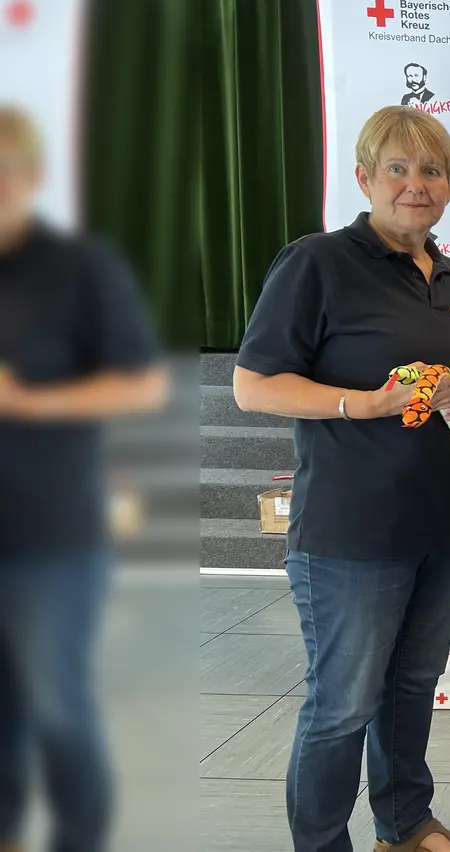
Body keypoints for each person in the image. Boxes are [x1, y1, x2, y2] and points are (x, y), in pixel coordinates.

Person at [233, 106, 450, 852]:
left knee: (409, 691)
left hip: (443, 526)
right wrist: (364, 403)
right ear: (364, 178)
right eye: (399, 169)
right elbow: (253, 385)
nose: (417, 184)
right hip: (351, 533)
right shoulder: (316, 262)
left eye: (433, 170)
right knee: (343, 706)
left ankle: (405, 824)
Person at [0, 107, 168, 852]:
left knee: (57, 706)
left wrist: (29, 401)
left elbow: (142, 386)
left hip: (51, 535)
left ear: (31, 178)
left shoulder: (79, 267)